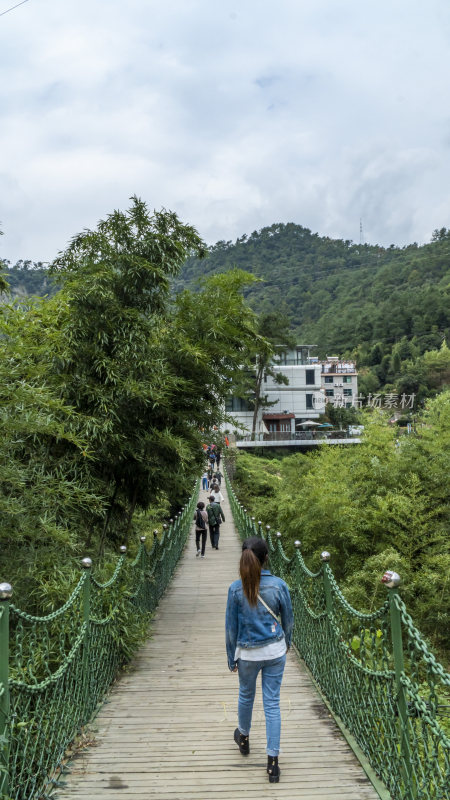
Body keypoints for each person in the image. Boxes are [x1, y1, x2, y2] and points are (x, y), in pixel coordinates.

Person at [225, 537, 293, 783]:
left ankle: (243, 738)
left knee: (246, 695)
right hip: (275, 651)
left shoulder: (235, 588)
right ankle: (273, 763)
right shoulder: (279, 585)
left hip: (247, 654)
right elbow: (289, 619)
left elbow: (231, 629)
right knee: (272, 703)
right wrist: (287, 643)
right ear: (266, 558)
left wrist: (231, 656)